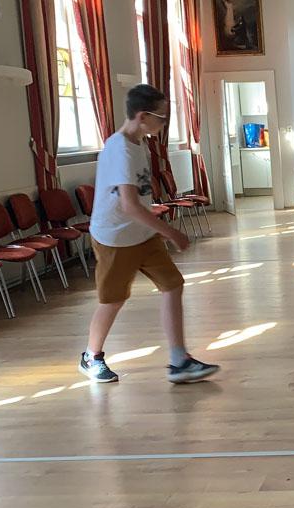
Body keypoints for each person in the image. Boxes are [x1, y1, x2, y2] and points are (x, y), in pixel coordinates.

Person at [81, 84, 220, 385]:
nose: (164, 122)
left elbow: (138, 197)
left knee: (173, 285)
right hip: (115, 238)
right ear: (142, 116)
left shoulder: (139, 143)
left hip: (142, 233)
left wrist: (155, 223)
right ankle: (91, 356)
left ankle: (179, 360)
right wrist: (171, 232)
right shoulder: (119, 150)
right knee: (113, 300)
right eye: (161, 117)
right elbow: (129, 205)